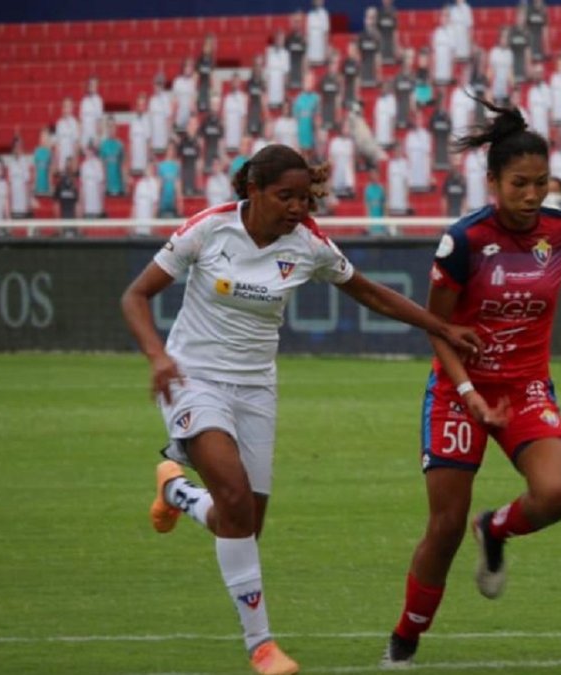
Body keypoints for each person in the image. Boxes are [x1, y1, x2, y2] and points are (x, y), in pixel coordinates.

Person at [121, 143, 483, 675]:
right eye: (285, 196)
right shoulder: (208, 229)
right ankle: (261, 646)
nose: (297, 207)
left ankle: (176, 490)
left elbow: (371, 293)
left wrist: (441, 326)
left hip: (257, 388)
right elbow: (136, 295)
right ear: (253, 190)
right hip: (192, 378)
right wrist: (157, 356)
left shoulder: (309, 243)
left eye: (304, 196)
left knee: (242, 521)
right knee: (236, 498)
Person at [379, 98, 561, 668]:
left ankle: (494, 530)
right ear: (492, 181)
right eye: (519, 183)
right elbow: (437, 328)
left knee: (560, 494)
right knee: (443, 526)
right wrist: (469, 394)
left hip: (524, 388)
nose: (531, 194)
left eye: (541, 182)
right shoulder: (465, 241)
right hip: (459, 390)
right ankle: (404, 642)